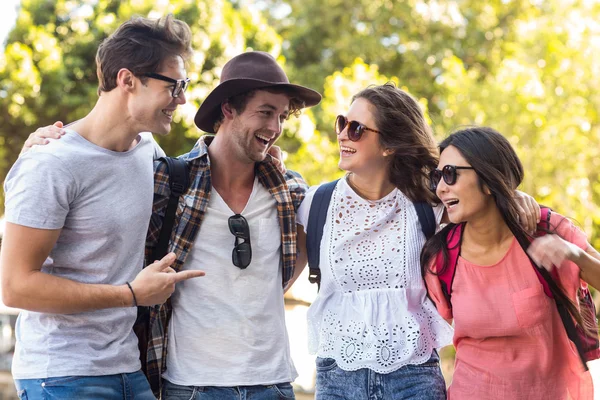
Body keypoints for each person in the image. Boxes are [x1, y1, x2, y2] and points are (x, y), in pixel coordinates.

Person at [1, 15, 205, 399]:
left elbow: (203, 174)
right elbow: (15, 287)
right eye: (174, 85)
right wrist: (130, 293)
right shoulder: (50, 164)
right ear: (127, 80)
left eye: (185, 86)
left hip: (128, 367)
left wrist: (264, 159)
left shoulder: (148, 152)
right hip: (61, 375)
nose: (182, 99)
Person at [143, 51, 321, 399]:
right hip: (193, 385)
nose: (275, 128)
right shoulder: (168, 181)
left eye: (282, 116)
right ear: (228, 109)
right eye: (265, 112)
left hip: (273, 384)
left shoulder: (290, 190)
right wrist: (50, 139)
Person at [293, 83, 453, 400]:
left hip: (414, 375)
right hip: (337, 376)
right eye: (342, 123)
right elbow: (277, 281)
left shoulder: (430, 205)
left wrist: (519, 200)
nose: (341, 134)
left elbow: (487, 207)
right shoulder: (316, 204)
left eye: (356, 129)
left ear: (389, 145)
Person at [421, 127, 599, 399]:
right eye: (437, 177)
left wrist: (573, 254)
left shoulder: (544, 230)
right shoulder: (441, 258)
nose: (442, 187)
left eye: (450, 174)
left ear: (489, 178)